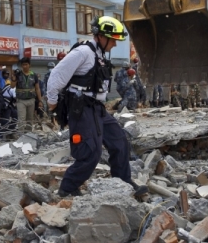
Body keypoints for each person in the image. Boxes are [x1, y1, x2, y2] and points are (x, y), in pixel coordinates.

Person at [46, 16, 148, 198]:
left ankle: (123, 183)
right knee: (90, 151)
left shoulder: (99, 55)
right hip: (81, 108)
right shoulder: (83, 52)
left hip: (97, 108)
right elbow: (56, 75)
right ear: (102, 36)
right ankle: (68, 187)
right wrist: (52, 102)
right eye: (113, 40)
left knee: (119, 141)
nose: (115, 44)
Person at [15, 57, 42, 132]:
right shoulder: (18, 74)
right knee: (21, 119)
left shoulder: (34, 75)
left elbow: (37, 88)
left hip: (31, 100)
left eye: (26, 64)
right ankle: (21, 137)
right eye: (23, 65)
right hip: (21, 101)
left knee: (30, 119)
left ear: (29, 65)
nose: (24, 66)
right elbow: (12, 86)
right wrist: (14, 78)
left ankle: (29, 135)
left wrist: (40, 101)